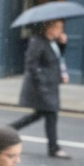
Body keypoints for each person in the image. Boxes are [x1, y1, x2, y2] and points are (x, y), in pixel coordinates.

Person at [9, 20, 70, 159]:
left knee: (41, 114)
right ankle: (54, 148)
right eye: (58, 27)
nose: (61, 30)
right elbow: (31, 65)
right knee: (50, 114)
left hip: (50, 85)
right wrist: (42, 85)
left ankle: (7, 130)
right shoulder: (37, 42)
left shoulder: (51, 42)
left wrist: (63, 44)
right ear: (49, 28)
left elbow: (55, 59)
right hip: (41, 86)